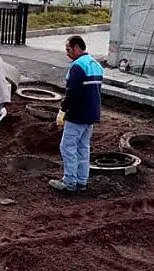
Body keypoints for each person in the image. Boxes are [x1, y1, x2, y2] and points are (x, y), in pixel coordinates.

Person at [49, 36, 103, 193]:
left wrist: (63, 111)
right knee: (83, 147)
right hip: (91, 114)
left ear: (77, 47)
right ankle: (81, 181)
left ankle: (69, 182)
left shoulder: (77, 66)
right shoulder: (95, 64)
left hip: (78, 114)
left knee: (67, 147)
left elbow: (71, 93)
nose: (67, 53)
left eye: (68, 49)